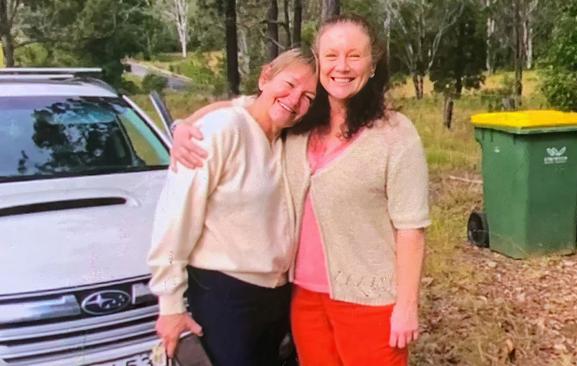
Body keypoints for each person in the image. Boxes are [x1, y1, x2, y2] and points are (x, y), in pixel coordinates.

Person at [172, 14, 430, 366]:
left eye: (354, 56)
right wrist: (184, 125)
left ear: (372, 65)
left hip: (369, 303)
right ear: (319, 62)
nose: (342, 66)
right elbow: (248, 107)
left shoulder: (395, 135)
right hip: (303, 299)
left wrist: (406, 306)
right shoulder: (300, 125)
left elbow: (411, 228)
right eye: (332, 56)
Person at [147, 48, 317, 366]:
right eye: (290, 84)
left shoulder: (286, 142)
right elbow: (174, 220)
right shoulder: (222, 129)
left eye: (308, 96)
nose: (295, 99)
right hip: (225, 296)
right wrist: (170, 303)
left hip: (277, 297)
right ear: (265, 77)